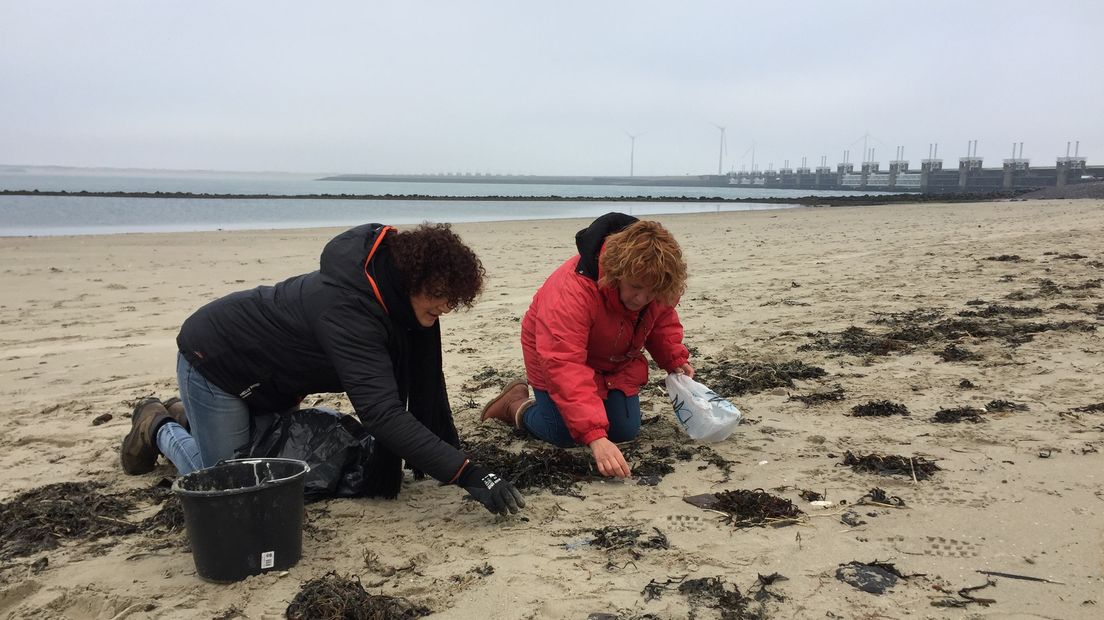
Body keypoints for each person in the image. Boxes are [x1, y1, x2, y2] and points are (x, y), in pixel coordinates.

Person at [120, 222, 524, 516]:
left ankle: (186, 415)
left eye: (452, 299)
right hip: (216, 363)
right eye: (438, 296)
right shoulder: (352, 312)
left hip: (273, 383)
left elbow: (399, 401)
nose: (445, 308)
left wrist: (453, 461)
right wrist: (468, 474)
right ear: (408, 280)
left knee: (269, 466)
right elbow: (382, 414)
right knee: (232, 484)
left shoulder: (395, 309)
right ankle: (158, 426)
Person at [481, 213, 692, 478]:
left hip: (611, 360)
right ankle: (515, 406)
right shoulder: (571, 292)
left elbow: (660, 320)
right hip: (552, 354)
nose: (642, 298)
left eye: (651, 293)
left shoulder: (654, 283)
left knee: (624, 431)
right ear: (617, 272)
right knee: (566, 435)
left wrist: (674, 359)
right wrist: (595, 437)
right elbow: (564, 365)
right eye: (636, 288)